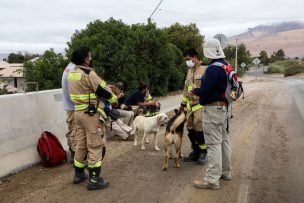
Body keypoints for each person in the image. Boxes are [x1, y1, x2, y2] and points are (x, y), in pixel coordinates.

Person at [68, 46, 117, 190]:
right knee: (95, 144)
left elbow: (87, 88)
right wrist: (114, 98)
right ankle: (94, 179)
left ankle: (78, 173)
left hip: (78, 113)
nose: (91, 58)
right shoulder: (89, 73)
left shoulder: (72, 73)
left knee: (81, 143)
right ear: (85, 59)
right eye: (89, 56)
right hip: (91, 115)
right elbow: (102, 89)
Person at [193, 39, 231, 190]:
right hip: (223, 109)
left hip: (213, 110)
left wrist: (194, 90)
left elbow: (205, 91)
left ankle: (211, 180)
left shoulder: (212, 69)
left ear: (207, 52)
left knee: (213, 144)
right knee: (224, 141)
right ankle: (226, 173)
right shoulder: (225, 66)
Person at [180, 48, 207, 165]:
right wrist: (182, 104)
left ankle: (203, 152)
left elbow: (207, 88)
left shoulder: (205, 69)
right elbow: (186, 89)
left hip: (200, 104)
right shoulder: (189, 71)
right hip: (190, 106)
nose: (188, 61)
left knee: (198, 126)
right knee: (189, 127)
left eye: (188, 59)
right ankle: (195, 151)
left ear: (195, 57)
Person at [61, 62, 76, 163]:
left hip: (68, 105)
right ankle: (75, 155)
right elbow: (75, 88)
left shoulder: (68, 67)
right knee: (75, 131)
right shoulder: (74, 70)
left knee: (71, 130)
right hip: (74, 106)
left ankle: (72, 152)